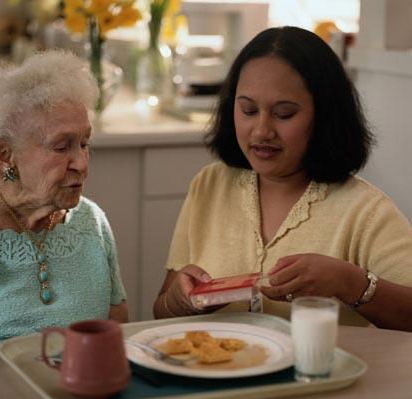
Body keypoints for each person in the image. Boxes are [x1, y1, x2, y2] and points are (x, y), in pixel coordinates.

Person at [153, 26, 412, 331]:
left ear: (324, 116)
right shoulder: (210, 185)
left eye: (284, 114)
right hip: (218, 374)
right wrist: (181, 301)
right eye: (248, 110)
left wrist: (349, 283)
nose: (262, 131)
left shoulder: (365, 212)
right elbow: (162, 309)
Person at [0, 50, 128, 340]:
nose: (82, 164)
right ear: (5, 155)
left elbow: (117, 324)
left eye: (84, 143)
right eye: (61, 147)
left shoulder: (91, 221)